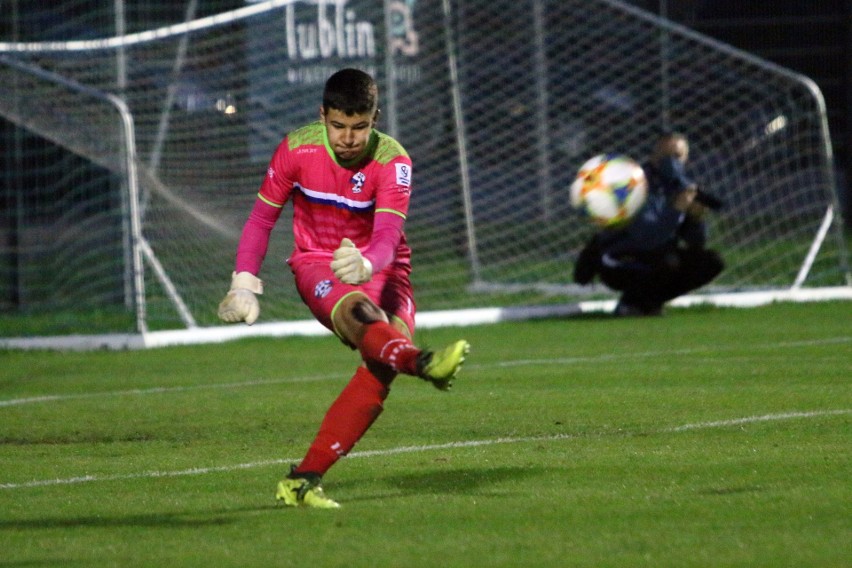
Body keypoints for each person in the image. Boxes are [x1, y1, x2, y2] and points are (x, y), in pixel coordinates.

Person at [217, 68, 470, 508]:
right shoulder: (297, 149)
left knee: (382, 363)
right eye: (338, 126)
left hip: (383, 267)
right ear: (323, 116)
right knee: (364, 321)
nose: (348, 138)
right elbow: (261, 220)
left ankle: (303, 480)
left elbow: (389, 237)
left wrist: (369, 261)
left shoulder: (394, 161)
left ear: (376, 118)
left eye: (360, 127)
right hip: (317, 262)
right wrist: (244, 281)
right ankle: (426, 363)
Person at [573, 132, 725, 316]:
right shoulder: (635, 184)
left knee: (711, 262)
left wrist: (695, 219)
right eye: (667, 157)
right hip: (619, 257)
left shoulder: (680, 186)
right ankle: (630, 303)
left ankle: (649, 302)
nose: (672, 163)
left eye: (678, 157)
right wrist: (676, 209)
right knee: (666, 262)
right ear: (654, 157)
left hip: (657, 256)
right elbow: (645, 237)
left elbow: (695, 243)